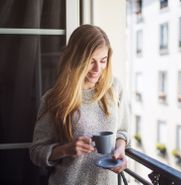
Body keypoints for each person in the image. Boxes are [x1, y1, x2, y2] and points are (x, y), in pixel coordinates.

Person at [29, 24, 129, 185]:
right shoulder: (54, 98)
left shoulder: (115, 88)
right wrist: (65, 149)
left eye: (103, 61)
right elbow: (36, 152)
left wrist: (120, 150)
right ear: (76, 59)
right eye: (91, 61)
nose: (98, 69)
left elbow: (122, 132)